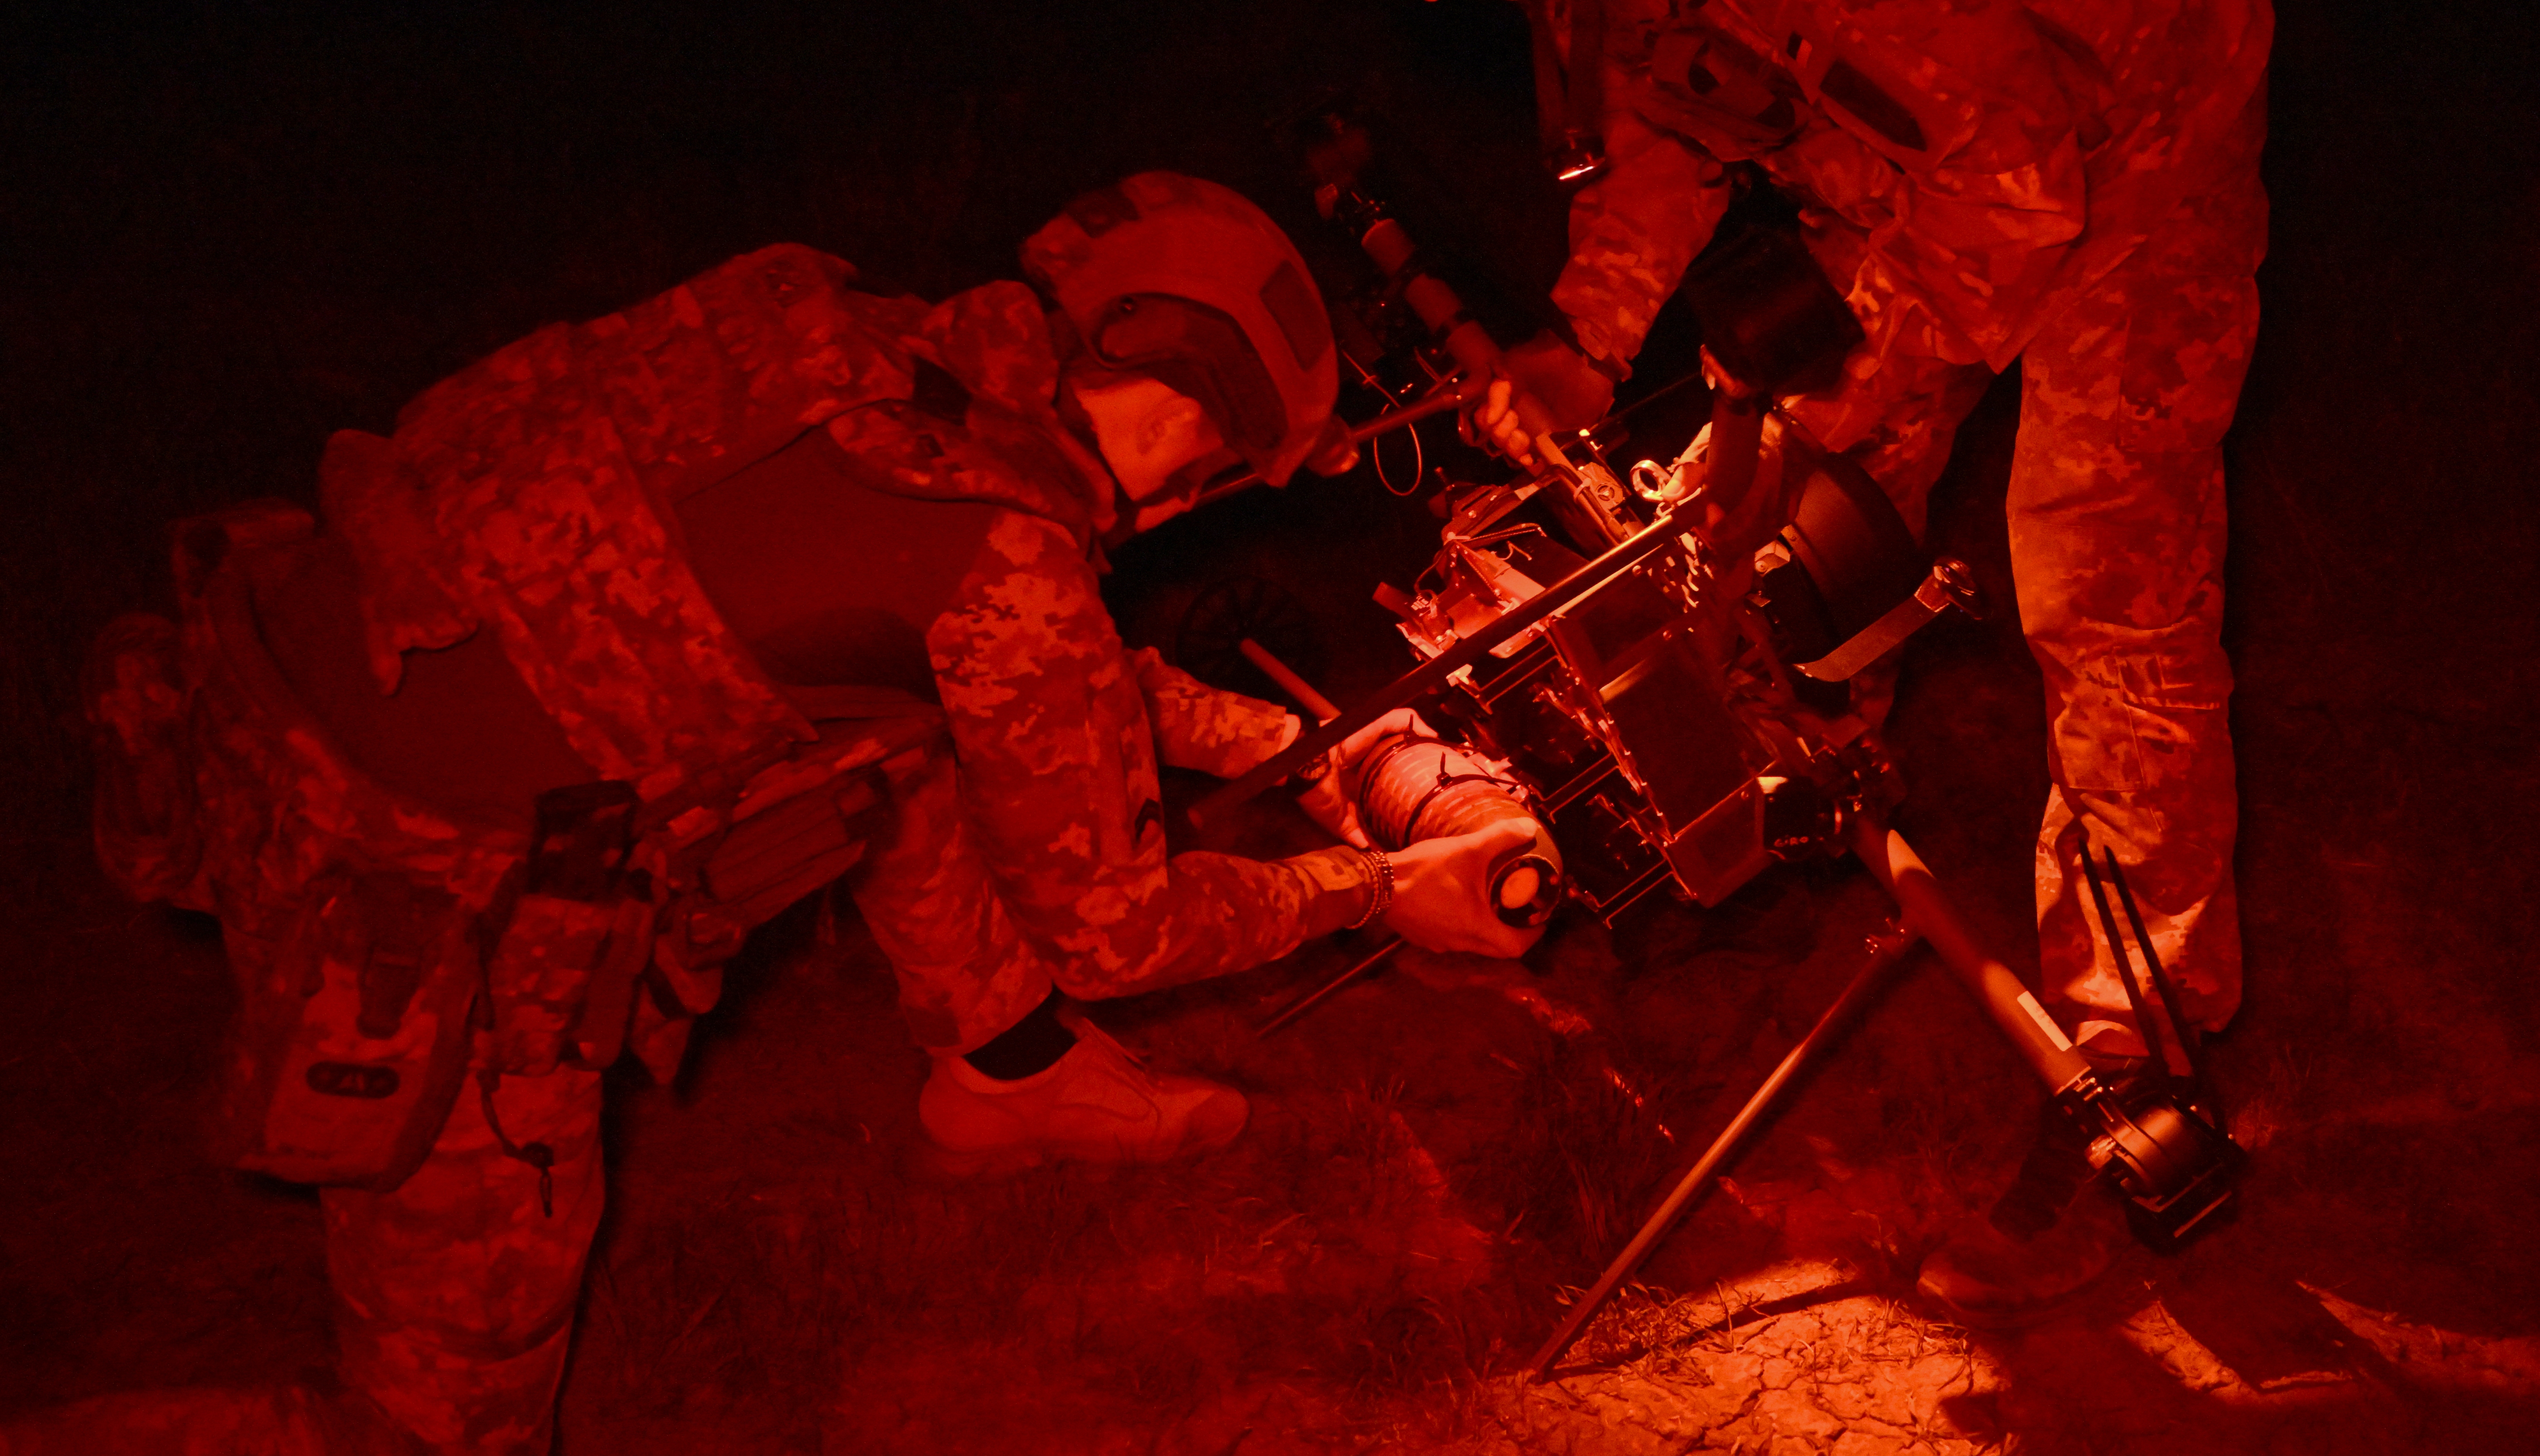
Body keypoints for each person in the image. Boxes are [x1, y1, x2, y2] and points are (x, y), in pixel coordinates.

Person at [58, 171, 1539, 1454]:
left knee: (882, 745)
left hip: (245, 673)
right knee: (442, 1421)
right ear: (1180, 410)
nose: (1196, 500)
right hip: (393, 881)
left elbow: (1006, 671)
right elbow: (1115, 926)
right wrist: (1375, 886)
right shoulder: (1000, 556)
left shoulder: (846, 339)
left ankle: (1006, 1074)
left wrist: (1298, 744)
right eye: (1216, 471)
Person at [1298, 0, 2271, 1316]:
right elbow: (1675, 106)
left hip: (2132, 126)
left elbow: (2017, 191)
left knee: (2100, 575)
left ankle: (2139, 1056)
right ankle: (1775, 826)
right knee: (1726, 525)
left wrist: (1804, 384)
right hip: (1945, 149)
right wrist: (1590, 333)